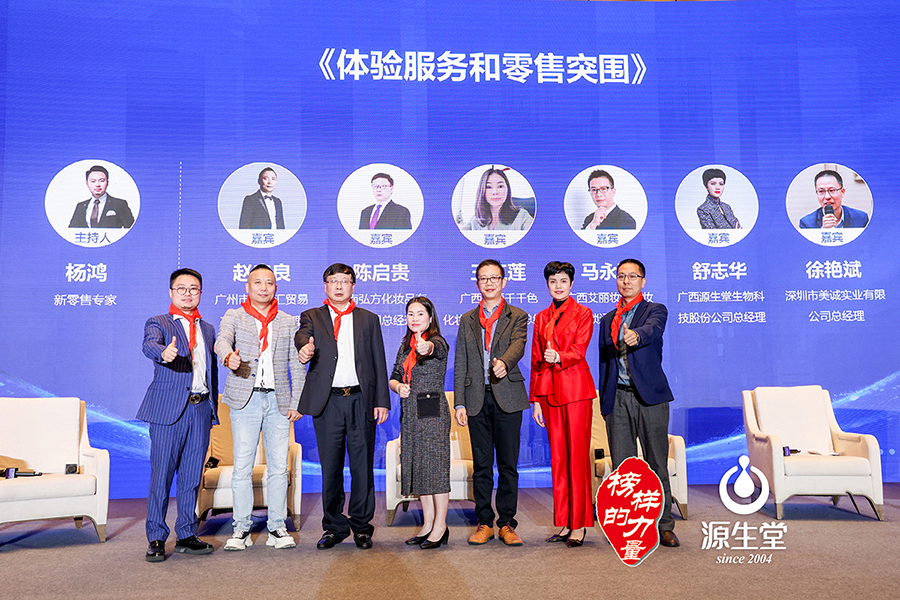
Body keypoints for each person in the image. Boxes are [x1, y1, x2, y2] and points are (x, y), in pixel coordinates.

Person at [295, 263, 391, 550]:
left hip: (361, 399)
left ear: (353, 286)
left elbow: (378, 360)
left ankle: (362, 526)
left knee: (362, 465)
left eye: (344, 281)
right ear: (325, 285)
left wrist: (382, 401)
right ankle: (334, 526)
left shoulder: (368, 319)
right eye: (333, 281)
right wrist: (304, 348)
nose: (339, 286)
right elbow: (302, 335)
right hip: (328, 401)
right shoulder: (312, 315)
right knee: (331, 466)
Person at [214, 263, 304, 551]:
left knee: (279, 468)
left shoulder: (287, 321)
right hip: (245, 399)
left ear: (276, 287)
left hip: (279, 401)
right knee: (242, 466)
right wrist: (228, 357)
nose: (264, 288)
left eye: (269, 283)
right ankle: (241, 528)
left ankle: (277, 527)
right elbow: (221, 341)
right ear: (248, 287)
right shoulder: (234, 315)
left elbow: (296, 364)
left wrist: (297, 401)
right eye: (258, 282)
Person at [597, 259, 679, 548]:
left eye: (632, 276)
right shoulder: (607, 320)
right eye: (621, 276)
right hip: (617, 398)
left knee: (656, 463)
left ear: (643, 281)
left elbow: (653, 330)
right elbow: (604, 364)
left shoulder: (655, 310)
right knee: (624, 470)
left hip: (650, 399)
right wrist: (605, 403)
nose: (626, 281)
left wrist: (636, 334)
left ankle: (664, 525)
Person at [138, 268, 218, 562]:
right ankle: (156, 537)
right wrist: (163, 353)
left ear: (200, 293)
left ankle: (186, 533)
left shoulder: (208, 328)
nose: (187, 293)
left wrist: (212, 409)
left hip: (200, 408)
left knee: (192, 477)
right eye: (181, 288)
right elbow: (149, 344)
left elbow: (211, 370)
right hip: (167, 411)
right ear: (171, 292)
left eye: (193, 288)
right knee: (161, 476)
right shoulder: (158, 322)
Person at [454, 259, 529, 546]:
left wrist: (504, 363)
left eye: (494, 278)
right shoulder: (467, 319)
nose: (489, 283)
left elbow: (518, 345)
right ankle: (484, 522)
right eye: (483, 278)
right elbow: (461, 362)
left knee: (508, 465)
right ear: (477, 284)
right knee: (482, 466)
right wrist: (459, 403)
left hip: (508, 396)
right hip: (476, 399)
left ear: (503, 282)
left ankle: (507, 523)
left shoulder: (517, 315)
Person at [529, 261, 596, 548]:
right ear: (547, 285)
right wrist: (535, 400)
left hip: (576, 391)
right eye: (553, 281)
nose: (558, 286)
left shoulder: (584, 313)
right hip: (549, 393)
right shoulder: (541, 317)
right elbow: (536, 360)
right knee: (558, 460)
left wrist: (559, 357)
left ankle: (579, 525)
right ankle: (566, 522)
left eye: (563, 281)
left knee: (577, 458)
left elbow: (579, 350)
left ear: (572, 284)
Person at [389, 297, 451, 549]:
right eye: (410, 314)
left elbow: (433, 350)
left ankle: (441, 526)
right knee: (421, 469)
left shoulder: (437, 341)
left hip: (433, 413)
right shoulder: (405, 346)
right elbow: (394, 375)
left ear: (430, 317)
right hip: (411, 414)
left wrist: (425, 346)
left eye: (420, 314)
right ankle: (428, 524)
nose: (414, 319)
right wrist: (398, 387)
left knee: (436, 469)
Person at [464, 167, 533, 231]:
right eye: (489, 187)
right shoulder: (476, 220)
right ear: (482, 191)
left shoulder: (522, 217)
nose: (495, 192)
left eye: (500, 186)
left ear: (507, 189)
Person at [68, 164, 135, 228]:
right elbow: (71, 231)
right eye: (93, 181)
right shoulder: (80, 206)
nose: (97, 185)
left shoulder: (119, 204)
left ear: (107, 183)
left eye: (101, 181)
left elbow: (133, 229)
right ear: (87, 184)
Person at [799, 169, 869, 229]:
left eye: (832, 190)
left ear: (842, 192)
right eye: (821, 191)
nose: (827, 197)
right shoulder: (807, 223)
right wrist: (823, 232)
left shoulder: (861, 218)